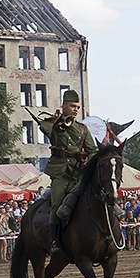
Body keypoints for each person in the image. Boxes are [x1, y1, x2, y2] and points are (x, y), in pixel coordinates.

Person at [39, 89, 97, 255]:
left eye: (78, 107)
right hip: (61, 173)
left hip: (79, 172)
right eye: (72, 106)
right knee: (57, 202)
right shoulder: (55, 126)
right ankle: (55, 240)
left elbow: (92, 150)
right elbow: (44, 127)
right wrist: (55, 119)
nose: (76, 109)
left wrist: (87, 161)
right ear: (64, 105)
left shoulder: (82, 129)